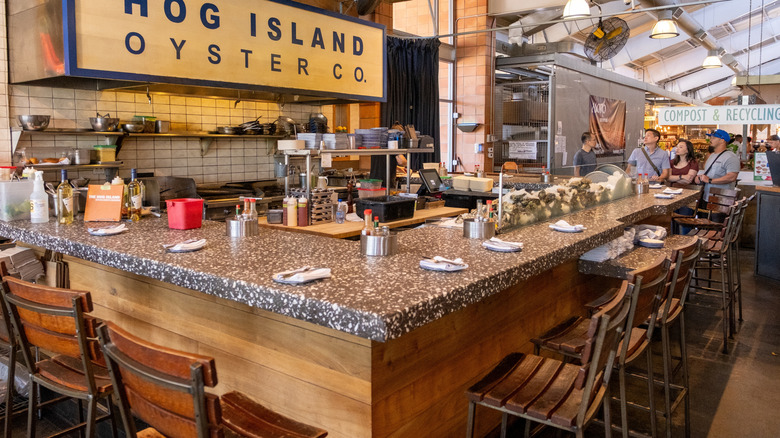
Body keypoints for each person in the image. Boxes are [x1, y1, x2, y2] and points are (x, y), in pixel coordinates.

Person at [694, 129, 740, 200]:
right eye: (711, 137)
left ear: (722, 140)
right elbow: (710, 174)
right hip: (707, 197)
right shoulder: (712, 155)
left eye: (713, 138)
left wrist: (709, 180)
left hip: (721, 200)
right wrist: (701, 177)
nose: (710, 140)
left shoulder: (731, 157)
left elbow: (732, 177)